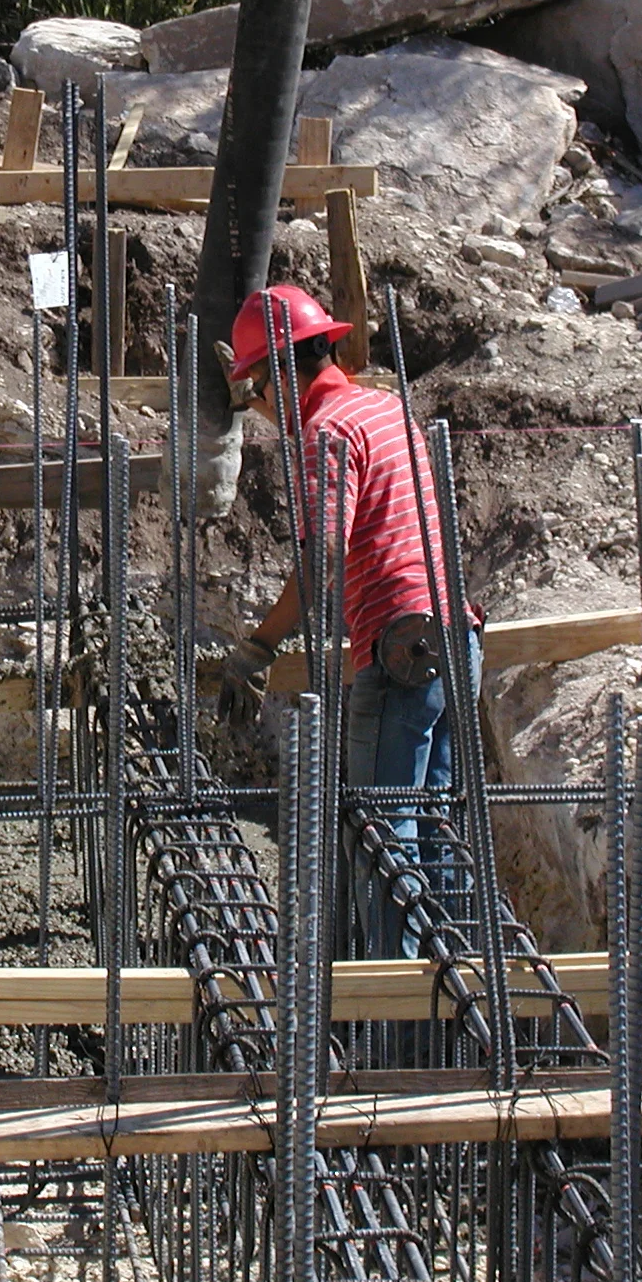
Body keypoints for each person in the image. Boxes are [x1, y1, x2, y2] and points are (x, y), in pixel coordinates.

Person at [214, 285, 479, 958]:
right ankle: (450, 1026)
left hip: (400, 651)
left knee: (382, 840)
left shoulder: (327, 432)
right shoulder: (385, 409)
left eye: (257, 388)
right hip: (456, 640)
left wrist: (259, 647)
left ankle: (393, 1029)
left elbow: (323, 553)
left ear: (281, 371)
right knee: (437, 829)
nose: (263, 409)